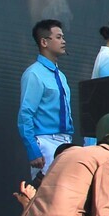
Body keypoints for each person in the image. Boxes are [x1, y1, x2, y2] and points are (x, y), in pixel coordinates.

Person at [17, 19, 75, 177]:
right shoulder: (33, 74)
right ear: (44, 42)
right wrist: (33, 150)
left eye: (63, 37)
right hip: (46, 142)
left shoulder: (61, 76)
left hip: (65, 141)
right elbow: (25, 114)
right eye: (58, 37)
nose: (63, 41)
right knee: (47, 195)